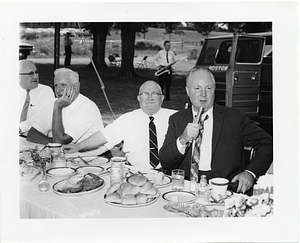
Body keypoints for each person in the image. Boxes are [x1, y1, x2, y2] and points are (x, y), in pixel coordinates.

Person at [159, 67, 273, 194]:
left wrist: (250, 173)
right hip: (187, 189)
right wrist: (182, 139)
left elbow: (268, 143)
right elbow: (166, 162)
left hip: (226, 189)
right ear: (187, 91)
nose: (203, 94)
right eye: (197, 88)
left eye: (208, 88)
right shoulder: (177, 119)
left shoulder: (234, 118)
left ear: (214, 90)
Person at [63, 81, 176, 169]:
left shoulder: (176, 118)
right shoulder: (127, 119)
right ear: (138, 98)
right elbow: (104, 136)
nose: (150, 97)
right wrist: (78, 146)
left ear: (162, 98)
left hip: (167, 173)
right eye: (145, 94)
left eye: (155, 94)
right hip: (136, 172)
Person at [26, 68, 107, 155]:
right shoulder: (54, 103)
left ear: (76, 86)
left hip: (93, 158)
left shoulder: (86, 107)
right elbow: (32, 134)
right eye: (56, 85)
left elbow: (60, 141)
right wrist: (53, 143)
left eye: (63, 85)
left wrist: (57, 107)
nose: (58, 90)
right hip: (67, 155)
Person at [19, 60, 55, 134]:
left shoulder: (45, 91)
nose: (36, 76)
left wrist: (20, 127)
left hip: (36, 139)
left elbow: (45, 119)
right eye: (31, 74)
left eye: (36, 72)